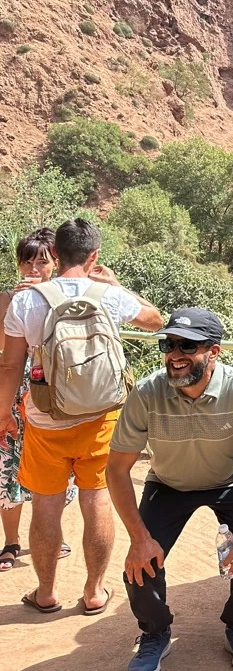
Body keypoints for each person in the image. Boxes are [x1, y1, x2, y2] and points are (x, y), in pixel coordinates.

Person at [105, 308, 233, 671]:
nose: (175, 354)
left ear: (214, 352)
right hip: (170, 482)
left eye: (187, 346)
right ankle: (155, 632)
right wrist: (139, 538)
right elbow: (116, 469)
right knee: (139, 563)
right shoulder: (147, 392)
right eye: (169, 344)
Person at [0, 218, 162, 615]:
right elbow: (156, 319)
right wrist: (116, 283)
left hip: (44, 419)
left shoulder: (27, 300)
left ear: (54, 254)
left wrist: (4, 414)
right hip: (102, 418)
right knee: (97, 501)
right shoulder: (107, 294)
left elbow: (10, 365)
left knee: (46, 506)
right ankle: (93, 592)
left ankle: (45, 593)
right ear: (94, 256)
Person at [0, 229, 78, 572]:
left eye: (42, 260)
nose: (34, 267)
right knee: (8, 467)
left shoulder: (64, 296)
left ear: (55, 263)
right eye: (27, 260)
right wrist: (15, 305)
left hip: (53, 395)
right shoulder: (6, 298)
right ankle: (12, 542)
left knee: (54, 468)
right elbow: (6, 354)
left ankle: (49, 535)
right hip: (14, 393)